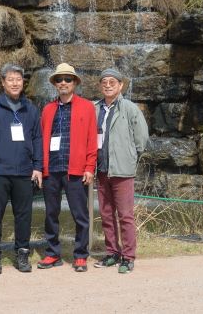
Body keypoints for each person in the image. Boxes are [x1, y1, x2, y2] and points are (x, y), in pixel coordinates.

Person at [0, 63, 43, 274]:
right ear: (3, 83)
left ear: (23, 82)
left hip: (24, 171)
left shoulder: (31, 109)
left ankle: (22, 253)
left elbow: (38, 139)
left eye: (18, 79)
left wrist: (38, 167)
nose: (15, 83)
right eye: (11, 79)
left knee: (24, 216)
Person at [38, 63, 98, 273]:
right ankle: (53, 253)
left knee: (80, 215)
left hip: (76, 170)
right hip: (51, 170)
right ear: (55, 84)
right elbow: (41, 140)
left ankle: (80, 255)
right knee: (50, 214)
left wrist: (89, 167)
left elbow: (92, 140)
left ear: (74, 83)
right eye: (59, 79)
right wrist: (40, 168)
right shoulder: (48, 109)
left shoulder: (87, 107)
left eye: (67, 79)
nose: (63, 82)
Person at [93, 68, 149, 274]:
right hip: (101, 170)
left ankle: (128, 256)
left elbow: (141, 139)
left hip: (122, 171)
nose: (108, 85)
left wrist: (130, 157)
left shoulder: (130, 108)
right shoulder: (95, 109)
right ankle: (112, 253)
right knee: (106, 214)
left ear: (121, 85)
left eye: (112, 82)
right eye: (104, 82)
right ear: (100, 86)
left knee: (125, 216)